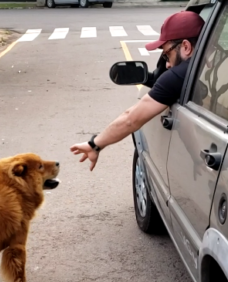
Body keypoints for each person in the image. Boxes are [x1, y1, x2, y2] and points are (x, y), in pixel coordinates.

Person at [70, 11, 205, 171]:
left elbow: (131, 119)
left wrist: (95, 144)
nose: (167, 64)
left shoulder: (178, 75)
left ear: (186, 46)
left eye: (167, 54)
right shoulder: (215, 66)